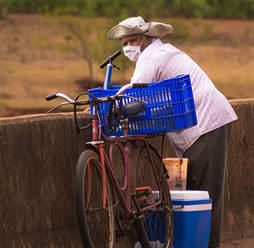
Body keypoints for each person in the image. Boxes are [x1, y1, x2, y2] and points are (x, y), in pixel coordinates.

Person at [107, 16, 238, 248]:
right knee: (198, 195)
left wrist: (107, 106)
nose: (129, 47)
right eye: (124, 43)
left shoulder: (153, 57)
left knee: (206, 197)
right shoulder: (161, 52)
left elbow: (132, 96)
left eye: (133, 40)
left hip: (207, 124)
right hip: (199, 128)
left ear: (147, 38)